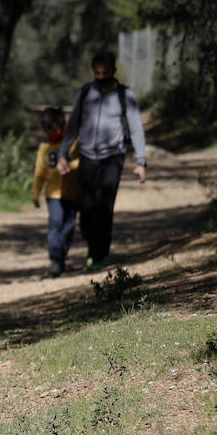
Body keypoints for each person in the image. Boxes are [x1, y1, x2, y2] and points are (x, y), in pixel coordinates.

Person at [58, 50, 147, 270]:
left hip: (113, 157)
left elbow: (136, 129)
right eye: (97, 73)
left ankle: (98, 254)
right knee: (86, 207)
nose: (101, 76)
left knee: (104, 206)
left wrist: (141, 161)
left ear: (113, 71)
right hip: (87, 155)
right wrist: (63, 152)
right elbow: (73, 126)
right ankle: (92, 243)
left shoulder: (125, 96)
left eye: (105, 72)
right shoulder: (85, 92)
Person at [32, 107, 80, 277]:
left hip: (72, 193)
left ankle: (62, 257)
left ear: (62, 126)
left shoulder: (73, 144)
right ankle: (55, 260)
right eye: (48, 131)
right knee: (56, 224)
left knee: (69, 225)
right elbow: (39, 172)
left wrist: (71, 166)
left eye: (54, 129)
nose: (51, 133)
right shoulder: (44, 148)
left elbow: (80, 162)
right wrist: (36, 193)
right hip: (53, 195)